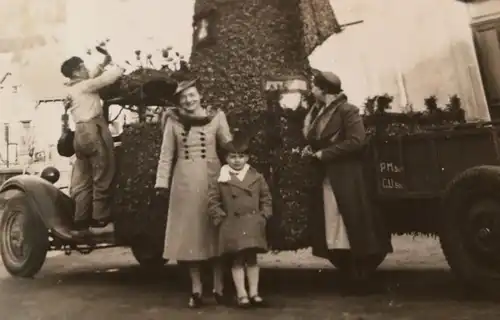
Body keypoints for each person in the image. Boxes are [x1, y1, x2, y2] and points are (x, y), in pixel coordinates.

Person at [302, 70, 393, 284]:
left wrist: (325, 154)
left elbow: (356, 141)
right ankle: (350, 272)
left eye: (315, 86)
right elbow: (319, 139)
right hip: (328, 176)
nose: (312, 90)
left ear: (324, 90)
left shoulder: (347, 111)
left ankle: (362, 274)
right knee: (334, 223)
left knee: (352, 222)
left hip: (347, 175)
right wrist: (312, 150)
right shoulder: (319, 112)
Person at [154, 78, 233, 308]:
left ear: (200, 95)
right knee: (189, 235)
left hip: (212, 179)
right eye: (183, 97)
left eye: (192, 95)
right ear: (179, 101)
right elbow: (166, 154)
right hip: (185, 183)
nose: (189, 100)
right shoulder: (173, 121)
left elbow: (228, 146)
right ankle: (196, 289)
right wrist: (161, 183)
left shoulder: (217, 117)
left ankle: (219, 288)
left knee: (215, 233)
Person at [60, 50, 124, 235]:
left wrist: (104, 62)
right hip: (93, 130)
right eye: (83, 67)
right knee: (103, 172)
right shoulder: (84, 87)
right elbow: (104, 80)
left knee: (84, 178)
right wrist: (118, 68)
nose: (87, 69)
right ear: (77, 71)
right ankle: (99, 218)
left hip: (80, 134)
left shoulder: (73, 87)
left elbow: (92, 76)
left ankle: (81, 219)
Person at [207, 130, 272, 308]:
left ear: (247, 158)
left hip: (252, 223)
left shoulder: (256, 177)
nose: (237, 160)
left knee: (252, 259)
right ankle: (242, 294)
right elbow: (213, 200)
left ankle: (254, 293)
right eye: (233, 156)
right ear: (226, 158)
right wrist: (220, 218)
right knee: (237, 260)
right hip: (232, 224)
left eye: (241, 156)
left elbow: (266, 197)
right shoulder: (221, 178)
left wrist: (264, 215)